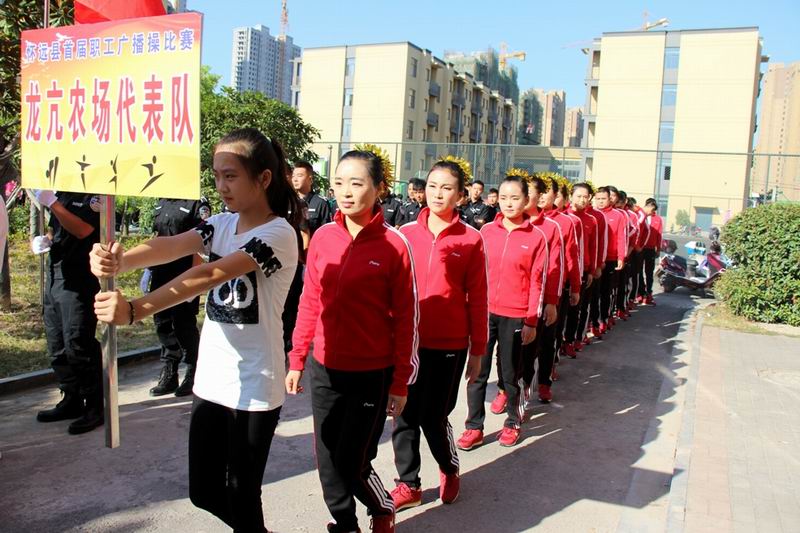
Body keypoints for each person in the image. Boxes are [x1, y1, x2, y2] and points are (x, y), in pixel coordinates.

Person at [90, 128, 300, 532]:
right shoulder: (220, 224)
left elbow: (208, 275)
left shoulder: (278, 234)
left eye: (231, 176)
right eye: (217, 175)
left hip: (255, 383)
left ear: (263, 178)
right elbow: (170, 245)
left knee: (242, 492)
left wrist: (134, 310)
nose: (221, 186)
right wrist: (120, 260)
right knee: (203, 492)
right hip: (212, 379)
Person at [286, 148, 418, 533]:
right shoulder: (323, 237)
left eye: (356, 183)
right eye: (339, 182)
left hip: (371, 372)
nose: (345, 192)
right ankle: (345, 524)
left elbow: (406, 318)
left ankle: (381, 506)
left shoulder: (394, 245)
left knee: (352, 459)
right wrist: (297, 358)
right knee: (327, 458)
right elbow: (310, 299)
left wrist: (400, 382)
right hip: (324, 367)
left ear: (379, 189)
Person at [390, 159, 487, 511]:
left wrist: (478, 349)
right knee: (403, 413)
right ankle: (409, 484)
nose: (437, 194)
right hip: (406, 341)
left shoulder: (471, 238)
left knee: (433, 416)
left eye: (446, 188)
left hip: (448, 343)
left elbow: (478, 297)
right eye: (432, 186)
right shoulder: (403, 234)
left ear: (460, 195)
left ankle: (448, 466)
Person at [458, 174, 548, 450]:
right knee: (478, 372)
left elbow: (537, 282)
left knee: (510, 373)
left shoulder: (536, 237)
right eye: (504, 198)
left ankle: (512, 422)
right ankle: (474, 427)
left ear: (526, 200)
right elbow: (473, 275)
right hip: (484, 313)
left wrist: (531, 320)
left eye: (515, 198)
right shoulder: (486, 232)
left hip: (516, 315)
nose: (508, 203)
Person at [31, 189, 104, 435]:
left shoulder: (93, 196)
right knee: (57, 344)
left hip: (79, 277)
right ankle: (71, 398)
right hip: (56, 273)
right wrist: (46, 240)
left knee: (78, 344)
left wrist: (53, 204)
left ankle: (94, 406)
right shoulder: (61, 193)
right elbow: (58, 228)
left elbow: (83, 230)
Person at [146, 196, 210, 397]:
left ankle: (193, 370)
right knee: (162, 322)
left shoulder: (196, 202)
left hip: (184, 272)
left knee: (183, 323)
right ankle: (170, 371)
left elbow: (201, 243)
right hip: (161, 270)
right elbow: (157, 236)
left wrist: (195, 279)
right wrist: (148, 268)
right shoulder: (162, 200)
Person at [563, 183, 598, 357]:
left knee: (577, 308)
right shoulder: (563, 217)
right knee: (562, 311)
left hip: (582, 270)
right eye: (579, 196)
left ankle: (571, 340)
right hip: (564, 270)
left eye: (585, 197)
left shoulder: (591, 220)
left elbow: (593, 247)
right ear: (571, 196)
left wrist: (591, 270)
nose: (582, 200)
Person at [595, 186, 627, 335]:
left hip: (610, 259)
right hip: (596, 260)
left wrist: (621, 257)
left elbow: (621, 237)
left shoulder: (618, 215)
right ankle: (593, 321)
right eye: (598, 199)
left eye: (604, 199)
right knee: (594, 294)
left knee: (606, 291)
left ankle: (604, 318)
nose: (601, 202)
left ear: (610, 200)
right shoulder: (593, 215)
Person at [292, 160, 333, 234]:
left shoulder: (321, 203)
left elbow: (326, 232)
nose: (295, 179)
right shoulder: (289, 202)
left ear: (310, 179)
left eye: (299, 176)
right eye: (293, 176)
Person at [638, 198, 662, 305]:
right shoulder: (641, 216)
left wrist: (658, 248)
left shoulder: (658, 219)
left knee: (649, 272)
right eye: (652, 208)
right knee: (638, 271)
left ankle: (649, 293)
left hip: (651, 248)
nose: (653, 211)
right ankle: (641, 292)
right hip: (640, 248)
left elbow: (659, 234)